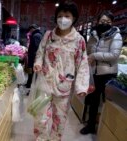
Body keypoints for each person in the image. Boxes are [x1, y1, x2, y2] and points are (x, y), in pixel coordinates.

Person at [32, 1, 89, 140]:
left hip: (64, 87)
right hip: (44, 83)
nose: (63, 19)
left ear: (74, 18)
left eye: (67, 15)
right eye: (60, 15)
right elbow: (40, 53)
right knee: (40, 118)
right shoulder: (48, 36)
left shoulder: (78, 40)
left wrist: (81, 86)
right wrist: (38, 63)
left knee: (59, 120)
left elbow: (82, 63)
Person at [80, 11, 123, 135]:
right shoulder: (93, 35)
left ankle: (108, 130)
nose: (105, 24)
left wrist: (94, 55)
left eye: (108, 22)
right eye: (102, 21)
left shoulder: (116, 35)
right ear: (97, 22)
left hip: (108, 74)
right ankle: (91, 126)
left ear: (112, 23)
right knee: (93, 100)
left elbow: (114, 55)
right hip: (94, 73)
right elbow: (88, 51)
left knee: (107, 102)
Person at [25, 24, 43, 94]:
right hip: (33, 57)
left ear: (32, 29)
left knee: (32, 74)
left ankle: (30, 89)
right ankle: (29, 86)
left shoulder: (36, 36)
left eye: (30, 30)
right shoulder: (37, 35)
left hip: (33, 58)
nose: (29, 32)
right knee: (31, 73)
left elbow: (37, 48)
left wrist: (35, 59)